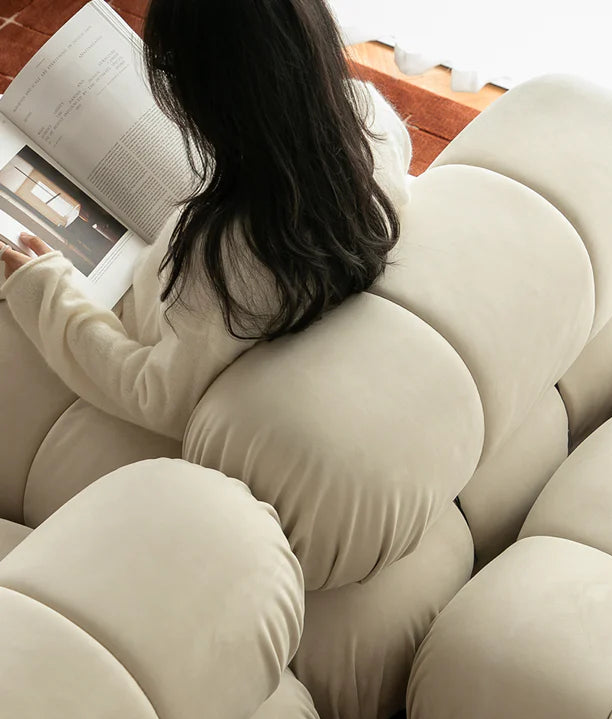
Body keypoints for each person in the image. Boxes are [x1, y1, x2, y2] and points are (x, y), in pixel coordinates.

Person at [0, 0, 412, 440]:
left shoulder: (227, 256)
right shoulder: (373, 120)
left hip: (126, 321)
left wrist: (44, 289)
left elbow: (154, 396)